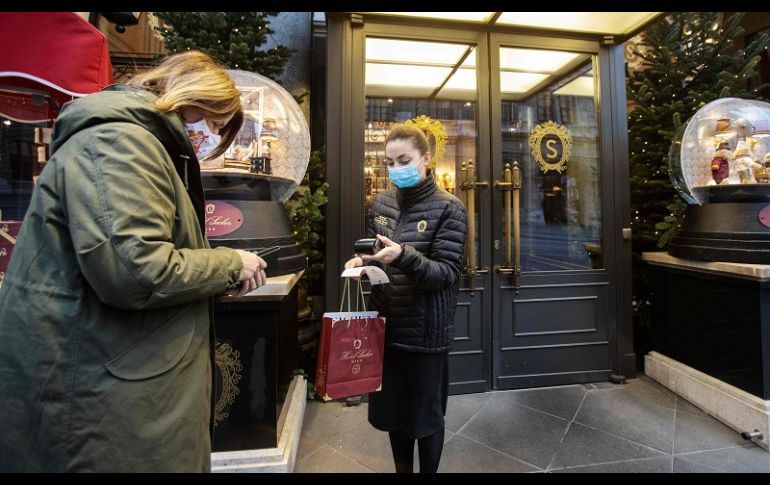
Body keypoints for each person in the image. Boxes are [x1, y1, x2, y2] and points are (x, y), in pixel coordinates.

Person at [0, 51, 268, 472]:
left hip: (110, 375)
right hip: (102, 393)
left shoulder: (130, 142)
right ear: (193, 96)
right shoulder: (120, 142)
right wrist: (229, 263)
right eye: (214, 124)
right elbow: (134, 268)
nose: (211, 137)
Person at [345, 123, 468, 473]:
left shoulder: (450, 208)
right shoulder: (382, 202)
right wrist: (362, 262)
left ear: (425, 159)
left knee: (426, 417)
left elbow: (445, 275)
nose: (396, 168)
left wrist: (403, 256)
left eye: (404, 160)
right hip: (387, 328)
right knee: (395, 414)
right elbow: (376, 249)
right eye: (389, 161)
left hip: (426, 333)